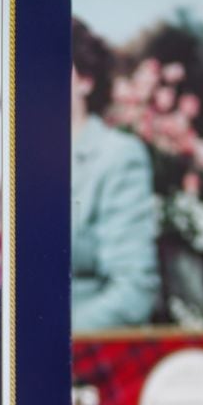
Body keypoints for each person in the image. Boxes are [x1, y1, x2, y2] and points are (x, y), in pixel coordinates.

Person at [71, 17, 159, 332]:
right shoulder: (20, 161)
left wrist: (47, 341)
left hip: (78, 359)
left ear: (86, 79)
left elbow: (132, 292)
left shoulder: (117, 156)